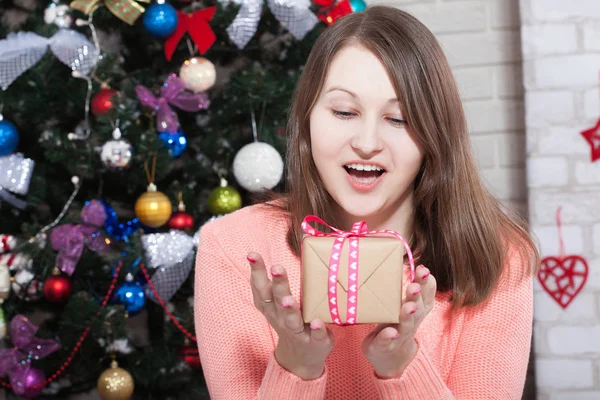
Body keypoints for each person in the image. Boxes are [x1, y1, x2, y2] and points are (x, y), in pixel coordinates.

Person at [194, 5, 540, 399]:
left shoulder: (500, 257)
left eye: (398, 119)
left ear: (435, 134)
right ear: (307, 117)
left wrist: (400, 367)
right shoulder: (234, 248)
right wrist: (296, 366)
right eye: (344, 111)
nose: (367, 142)